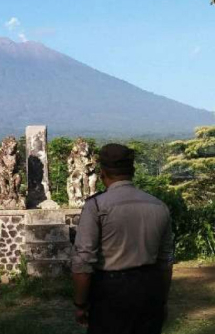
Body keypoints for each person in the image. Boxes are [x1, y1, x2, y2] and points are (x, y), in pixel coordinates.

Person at [72, 143, 174, 334]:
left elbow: (83, 262)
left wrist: (80, 303)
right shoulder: (159, 206)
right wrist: (162, 300)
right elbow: (166, 261)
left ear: (102, 173)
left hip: (111, 292)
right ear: (132, 171)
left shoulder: (96, 206)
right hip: (150, 288)